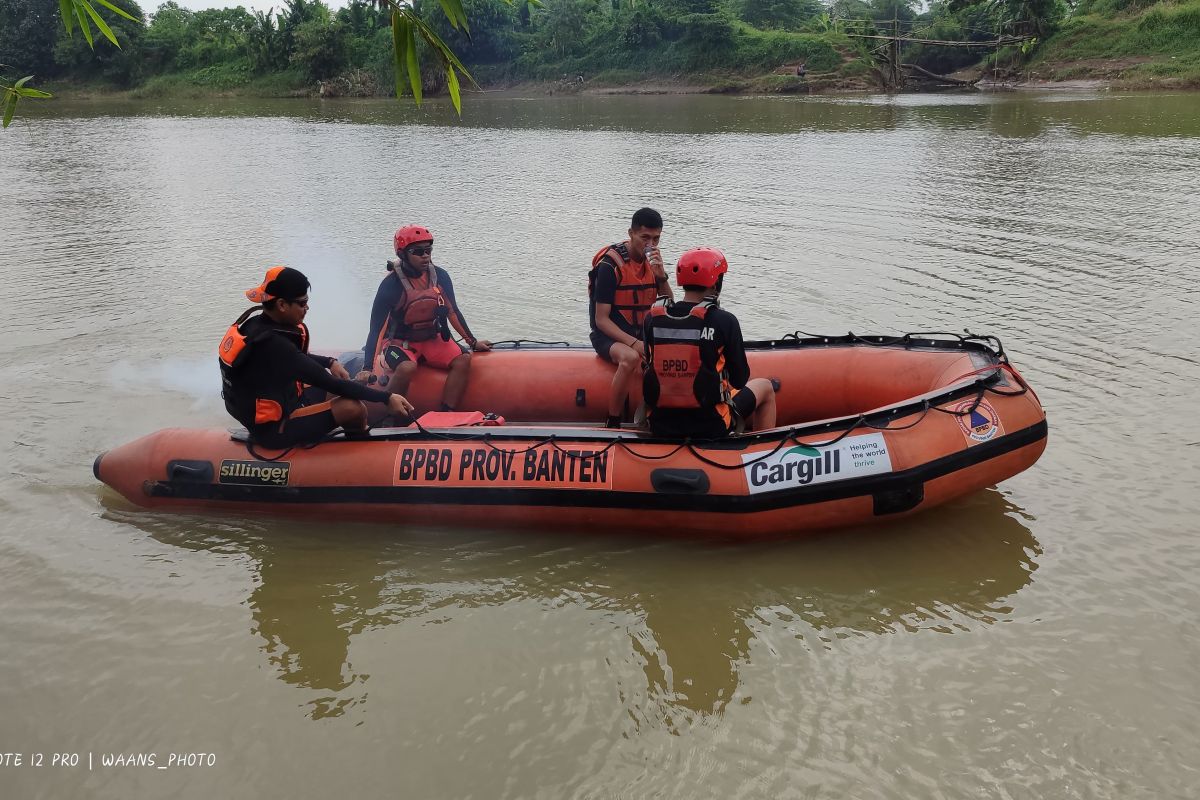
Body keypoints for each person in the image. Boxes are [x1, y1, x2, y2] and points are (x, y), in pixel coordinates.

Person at [218, 266, 414, 448]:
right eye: (302, 303)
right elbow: (329, 383)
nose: (307, 308)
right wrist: (386, 397)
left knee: (339, 386)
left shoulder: (256, 325)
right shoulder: (274, 345)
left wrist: (330, 362)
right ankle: (360, 455)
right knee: (352, 408)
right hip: (274, 429)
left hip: (280, 400)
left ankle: (340, 436)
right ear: (282, 305)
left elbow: (298, 359)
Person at [641, 247, 776, 439]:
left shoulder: (651, 318)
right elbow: (739, 379)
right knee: (765, 386)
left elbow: (649, 364)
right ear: (715, 283)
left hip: (660, 424)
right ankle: (764, 452)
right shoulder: (725, 320)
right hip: (712, 426)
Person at [362, 225, 492, 414]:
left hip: (431, 339)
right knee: (407, 367)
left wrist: (472, 342)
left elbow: (452, 311)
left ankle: (446, 413)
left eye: (428, 250)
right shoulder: (391, 285)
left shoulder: (440, 276)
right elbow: (377, 329)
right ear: (403, 254)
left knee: (463, 360)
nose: (425, 256)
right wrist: (368, 367)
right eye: (418, 251)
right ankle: (390, 417)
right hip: (398, 343)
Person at [588, 207, 674, 428]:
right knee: (630, 359)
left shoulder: (653, 264)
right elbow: (601, 320)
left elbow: (669, 306)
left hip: (640, 333)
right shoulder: (610, 266)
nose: (650, 245)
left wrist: (661, 276)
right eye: (645, 238)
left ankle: (661, 415)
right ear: (631, 233)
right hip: (608, 336)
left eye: (656, 239)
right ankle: (613, 420)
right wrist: (636, 344)